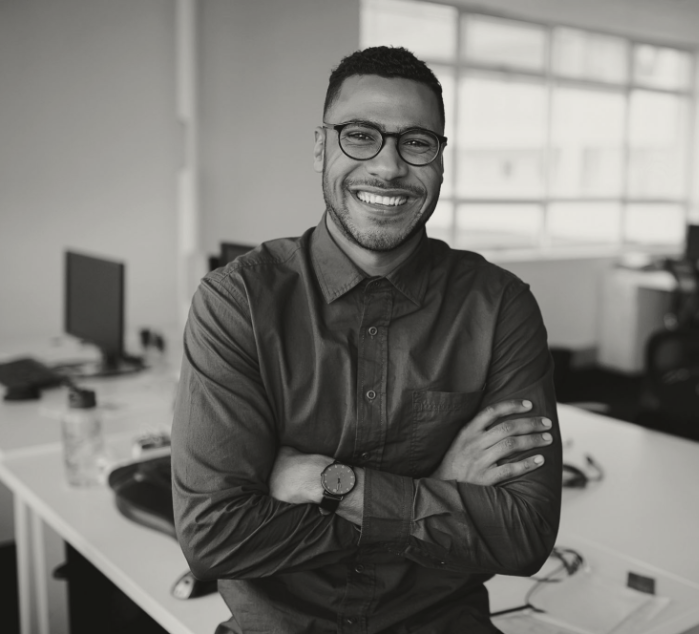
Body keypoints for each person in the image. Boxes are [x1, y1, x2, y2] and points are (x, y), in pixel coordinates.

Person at [171, 46, 563, 633]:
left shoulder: (499, 306)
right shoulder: (239, 302)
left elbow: (523, 536)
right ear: (320, 146)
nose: (387, 167)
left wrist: (332, 485)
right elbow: (214, 538)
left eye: (416, 142)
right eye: (360, 135)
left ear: (440, 161)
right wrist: (436, 493)